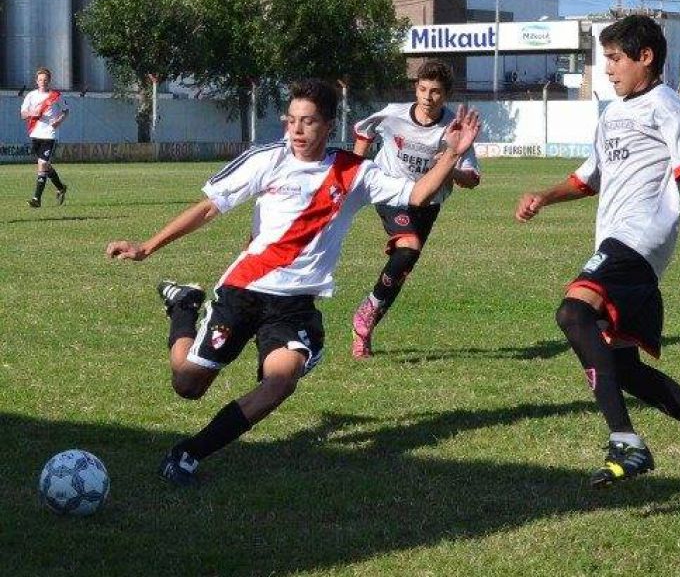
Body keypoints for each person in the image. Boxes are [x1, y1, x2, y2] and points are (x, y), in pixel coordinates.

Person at [105, 79, 481, 486]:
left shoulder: (354, 172)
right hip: (243, 290)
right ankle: (184, 307)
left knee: (280, 381)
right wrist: (147, 247)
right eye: (292, 121)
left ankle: (189, 454)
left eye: (308, 123)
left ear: (329, 125)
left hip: (294, 304)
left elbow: (419, 194)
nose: (297, 131)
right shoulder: (267, 159)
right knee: (187, 384)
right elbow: (209, 209)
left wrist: (451, 154)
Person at [515, 15, 680, 496]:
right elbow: (589, 179)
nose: (607, 69)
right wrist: (544, 196)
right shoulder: (611, 114)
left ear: (645, 57)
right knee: (624, 370)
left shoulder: (667, 106)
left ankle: (624, 440)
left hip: (639, 239)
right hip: (617, 243)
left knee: (573, 312)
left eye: (614, 58)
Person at [350, 60, 481, 359]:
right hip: (390, 190)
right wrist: (354, 172)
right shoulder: (393, 114)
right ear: (416, 88)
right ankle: (364, 317)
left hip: (428, 203)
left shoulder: (454, 127)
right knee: (408, 247)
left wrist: (448, 166)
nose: (427, 97)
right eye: (422, 89)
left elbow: (471, 179)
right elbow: (363, 130)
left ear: (446, 95)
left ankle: (364, 326)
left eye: (435, 91)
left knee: (401, 268)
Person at [20, 67, 69, 207]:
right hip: (35, 134)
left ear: (49, 81)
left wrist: (59, 120)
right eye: (40, 79)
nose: (43, 82)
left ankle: (36, 199)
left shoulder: (56, 96)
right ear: (36, 81)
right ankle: (61, 187)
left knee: (42, 164)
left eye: (45, 80)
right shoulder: (30, 96)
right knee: (45, 166)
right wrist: (31, 113)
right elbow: (22, 114)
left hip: (49, 134)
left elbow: (66, 111)